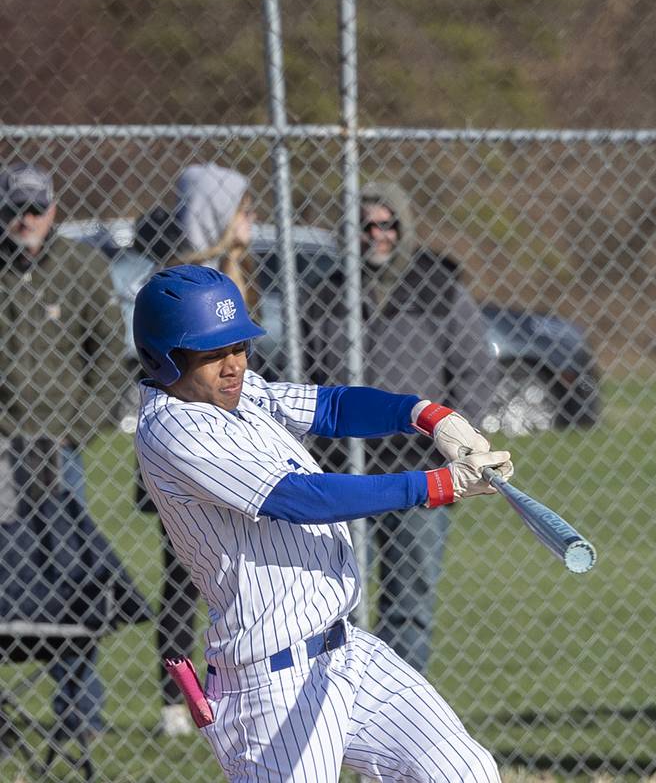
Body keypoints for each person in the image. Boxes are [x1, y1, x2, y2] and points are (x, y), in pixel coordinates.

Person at [132, 263, 512, 782]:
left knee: (464, 771)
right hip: (268, 685)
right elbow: (301, 498)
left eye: (239, 347)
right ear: (164, 359)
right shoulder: (174, 428)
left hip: (347, 653)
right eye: (212, 354)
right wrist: (435, 485)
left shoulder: (241, 394)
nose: (233, 365)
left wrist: (426, 414)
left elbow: (331, 406)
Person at [304, 180, 498, 674]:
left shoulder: (438, 287)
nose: (377, 235)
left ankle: (403, 702)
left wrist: (458, 439)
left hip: (421, 469)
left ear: (403, 226)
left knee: (410, 602)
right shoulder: (325, 293)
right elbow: (302, 375)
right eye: (365, 226)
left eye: (387, 224)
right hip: (346, 472)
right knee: (334, 598)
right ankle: (340, 698)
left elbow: (474, 369)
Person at [0, 162, 150, 739]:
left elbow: (109, 358)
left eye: (35, 209)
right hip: (1, 449)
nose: (25, 220)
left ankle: (79, 713)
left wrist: (77, 428)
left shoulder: (82, 268)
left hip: (54, 451)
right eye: (15, 209)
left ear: (54, 211)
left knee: (67, 577)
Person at [113, 162, 257, 736]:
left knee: (241, 574)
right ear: (218, 213)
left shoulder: (240, 273)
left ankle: (240, 689)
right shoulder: (177, 281)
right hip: (189, 451)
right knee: (184, 577)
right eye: (243, 210)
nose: (251, 221)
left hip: (240, 448)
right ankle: (179, 699)